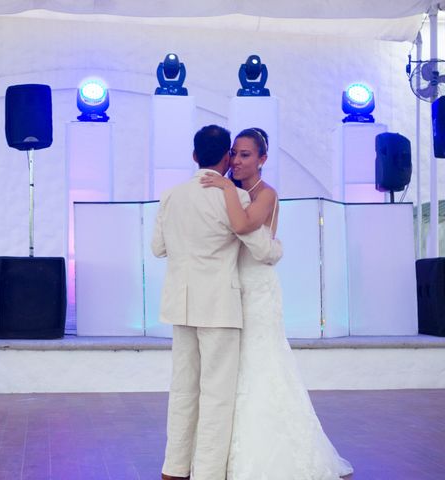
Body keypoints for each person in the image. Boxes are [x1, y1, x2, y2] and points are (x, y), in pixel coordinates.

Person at [201, 127, 354, 479]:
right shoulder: (231, 191)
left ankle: (268, 455)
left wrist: (224, 187)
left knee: (262, 363)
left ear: (262, 159)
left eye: (245, 155)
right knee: (231, 369)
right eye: (234, 154)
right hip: (228, 286)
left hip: (257, 289)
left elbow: (243, 226)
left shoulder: (266, 195)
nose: (236, 161)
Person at [151, 125, 283, 480]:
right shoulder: (236, 198)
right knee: (217, 395)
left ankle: (175, 468)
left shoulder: (171, 195)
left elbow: (158, 248)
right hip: (219, 308)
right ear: (226, 156)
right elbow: (261, 249)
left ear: (194, 156)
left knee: (182, 389)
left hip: (180, 304)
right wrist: (278, 246)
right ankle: (208, 472)